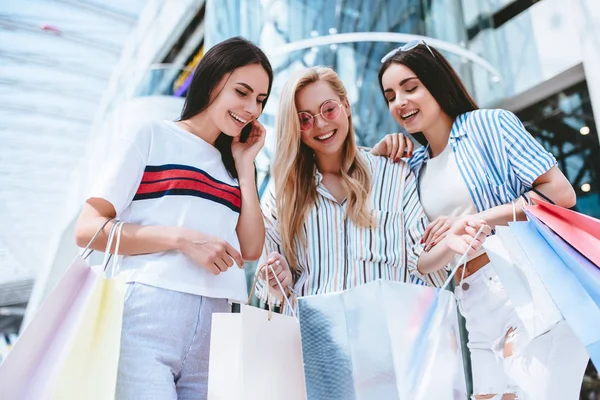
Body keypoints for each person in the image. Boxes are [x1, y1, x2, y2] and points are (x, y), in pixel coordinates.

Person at [374, 40, 589, 400]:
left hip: (520, 290)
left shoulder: (489, 126)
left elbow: (561, 192)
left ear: (436, 84)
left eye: (411, 87)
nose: (400, 102)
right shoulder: (413, 168)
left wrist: (479, 219)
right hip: (472, 308)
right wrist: (378, 157)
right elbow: (418, 258)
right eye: (390, 95)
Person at [74, 36, 273, 399]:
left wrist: (246, 168)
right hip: (148, 313)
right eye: (241, 92)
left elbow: (252, 247)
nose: (251, 109)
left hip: (221, 322)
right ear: (213, 81)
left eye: (260, 100)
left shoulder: (238, 165)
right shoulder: (150, 135)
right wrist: (181, 239)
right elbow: (88, 229)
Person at [256, 66, 490, 313]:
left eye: (329, 109)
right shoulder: (283, 192)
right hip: (315, 339)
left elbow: (419, 259)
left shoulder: (394, 174)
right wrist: (277, 276)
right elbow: (270, 284)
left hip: (388, 332)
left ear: (345, 106)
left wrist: (448, 244)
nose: (321, 124)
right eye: (305, 119)